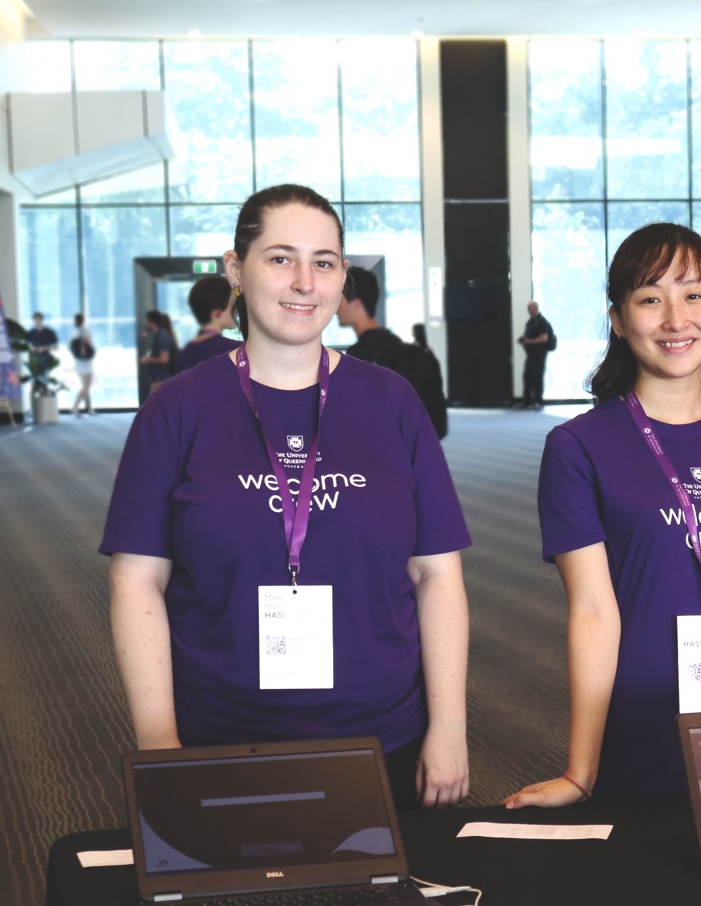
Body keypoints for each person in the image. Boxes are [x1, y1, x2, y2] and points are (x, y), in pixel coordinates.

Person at [100, 183, 472, 808]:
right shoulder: (177, 409)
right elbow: (136, 583)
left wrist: (450, 728)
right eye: (280, 258)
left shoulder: (391, 403)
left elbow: (438, 576)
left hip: (386, 738)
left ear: (342, 277)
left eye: (323, 262)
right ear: (234, 269)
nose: (304, 281)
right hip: (217, 741)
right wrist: (159, 743)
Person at [505, 224, 701, 808]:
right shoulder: (580, 447)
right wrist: (580, 772)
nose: (676, 319)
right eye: (651, 298)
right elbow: (594, 613)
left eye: (694, 295)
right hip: (649, 726)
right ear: (619, 319)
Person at [337, 265, 447, 438]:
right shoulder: (409, 353)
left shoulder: (360, 356)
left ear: (356, 304)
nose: (336, 308)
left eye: (339, 299)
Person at [177, 275, 239, 372]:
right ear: (217, 313)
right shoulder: (234, 350)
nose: (236, 310)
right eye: (233, 304)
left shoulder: (185, 353)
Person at [517, 300, 555, 409]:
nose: (528, 311)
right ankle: (527, 401)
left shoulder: (542, 322)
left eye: (530, 308)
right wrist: (524, 340)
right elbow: (527, 336)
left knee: (537, 377)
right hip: (530, 354)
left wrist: (529, 341)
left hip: (539, 354)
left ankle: (538, 402)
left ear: (535, 308)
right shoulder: (530, 322)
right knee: (527, 377)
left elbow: (544, 338)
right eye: (528, 309)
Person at [138, 310, 178, 400]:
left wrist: (148, 359)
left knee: (157, 402)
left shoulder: (162, 337)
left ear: (152, 322)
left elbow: (164, 359)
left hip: (161, 377)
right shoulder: (158, 336)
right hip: (158, 377)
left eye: (147, 321)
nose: (146, 323)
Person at [69, 314, 96, 415]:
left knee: (85, 386)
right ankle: (75, 406)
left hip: (80, 362)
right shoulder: (85, 331)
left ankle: (90, 409)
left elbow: (70, 347)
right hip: (85, 362)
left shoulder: (74, 333)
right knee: (86, 386)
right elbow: (90, 345)